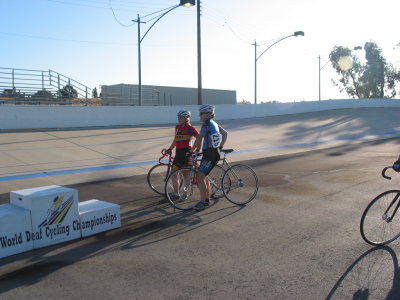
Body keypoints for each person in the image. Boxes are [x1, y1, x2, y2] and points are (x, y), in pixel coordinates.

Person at [190, 104, 228, 211]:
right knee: (203, 176)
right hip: (211, 153)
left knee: (200, 177)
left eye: (201, 113)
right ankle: (205, 199)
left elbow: (199, 139)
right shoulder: (214, 123)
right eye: (200, 113)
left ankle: (203, 201)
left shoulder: (206, 124)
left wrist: (191, 151)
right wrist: (220, 147)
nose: (199, 115)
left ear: (208, 114)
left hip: (210, 155)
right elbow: (225, 134)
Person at [166, 110, 199, 198]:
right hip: (178, 153)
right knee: (173, 174)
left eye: (180, 117)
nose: (178, 119)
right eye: (178, 117)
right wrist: (170, 148)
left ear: (186, 118)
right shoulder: (177, 127)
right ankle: (176, 193)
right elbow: (176, 140)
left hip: (186, 154)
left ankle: (185, 193)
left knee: (185, 175)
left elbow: (199, 138)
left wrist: (194, 150)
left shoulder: (191, 129)